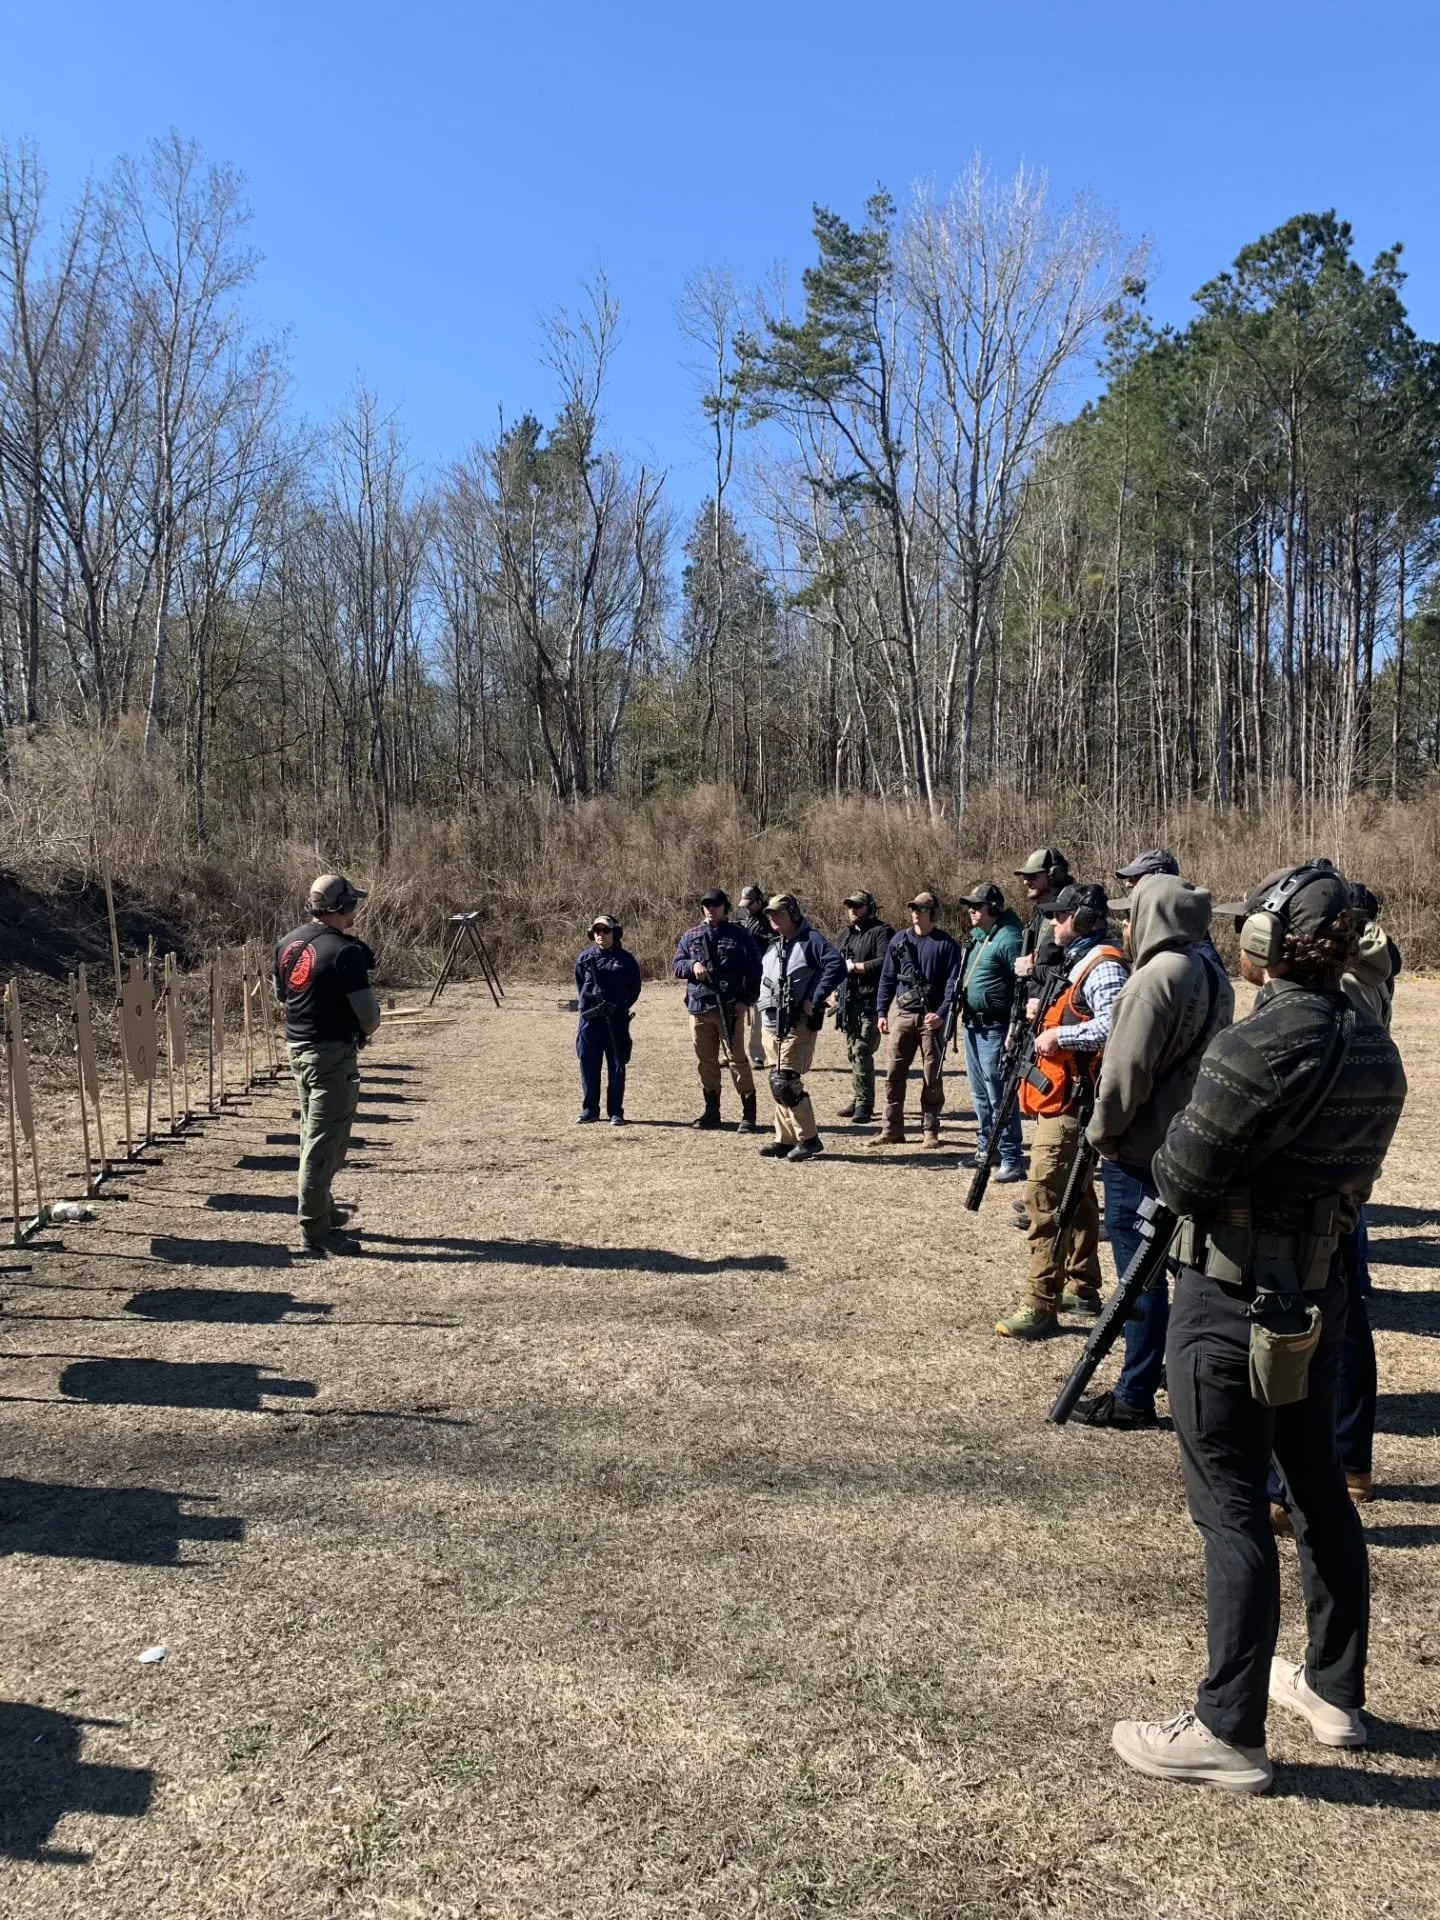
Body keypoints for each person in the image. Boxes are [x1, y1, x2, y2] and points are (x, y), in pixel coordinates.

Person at [1111, 864, 1406, 1795]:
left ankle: (1227, 1729)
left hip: (1228, 1299)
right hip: (1316, 1293)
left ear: (1271, 946)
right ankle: (1334, 1691)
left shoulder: (1256, 1043)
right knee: (1318, 1487)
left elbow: (1180, 1175)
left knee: (1232, 1506)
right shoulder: (1374, 1046)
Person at [1075, 875, 1233, 1427]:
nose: (1123, 923)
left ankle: (1134, 1392)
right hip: (1192, 1148)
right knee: (1187, 1274)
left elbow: (1123, 1076)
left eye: (1130, 912)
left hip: (1140, 1152)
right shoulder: (1215, 974)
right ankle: (1191, 1384)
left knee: (1137, 1280)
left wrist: (1101, 1136)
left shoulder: (1152, 980)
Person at [995, 883, 1129, 1337]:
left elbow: (1117, 1024)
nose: (1053, 922)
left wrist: (1061, 1037)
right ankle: (1082, 1284)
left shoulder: (1102, 964)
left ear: (1085, 919)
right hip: (1070, 1098)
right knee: (1079, 1194)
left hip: (1075, 1101)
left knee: (1044, 1196)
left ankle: (1039, 1302)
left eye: (1062, 915)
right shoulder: (1080, 962)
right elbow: (1083, 1012)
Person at [274, 874, 381, 1256]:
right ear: (342, 907)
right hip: (331, 1054)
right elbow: (368, 1014)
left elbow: (282, 995)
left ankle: (323, 1208)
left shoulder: (288, 942)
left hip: (298, 1048)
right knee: (325, 1140)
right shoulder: (344, 952)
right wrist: (363, 1030)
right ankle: (315, 1229)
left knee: (313, 1132)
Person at [755, 893, 845, 1163]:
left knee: (786, 1083)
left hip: (796, 1024)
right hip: (772, 1024)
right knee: (777, 1082)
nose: (772, 919)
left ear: (793, 914)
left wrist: (815, 998)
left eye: (778, 914)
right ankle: (785, 1139)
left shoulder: (811, 940)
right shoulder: (777, 944)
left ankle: (810, 1139)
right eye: (770, 915)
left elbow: (836, 965)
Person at [873, 892, 964, 1149]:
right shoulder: (898, 941)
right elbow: (887, 978)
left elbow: (952, 984)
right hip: (903, 1015)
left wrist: (943, 1013)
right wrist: (881, 1012)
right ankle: (891, 1129)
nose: (915, 912)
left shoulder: (946, 944)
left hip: (931, 1018)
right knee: (894, 1074)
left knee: (931, 1077)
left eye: (921, 909)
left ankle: (930, 1131)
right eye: (913, 908)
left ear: (932, 913)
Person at [673, 889, 762, 1133]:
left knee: (737, 1060)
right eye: (707, 904)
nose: (711, 908)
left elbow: (755, 971)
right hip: (699, 1009)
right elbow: (677, 965)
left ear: (726, 906)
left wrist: (746, 1000)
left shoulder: (739, 935)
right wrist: (694, 965)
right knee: (706, 1062)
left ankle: (749, 1114)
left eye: (716, 904)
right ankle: (712, 1111)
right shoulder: (691, 935)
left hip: (730, 1009)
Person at [957, 881, 1026, 1182]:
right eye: (970, 905)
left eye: (977, 905)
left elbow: (1023, 982)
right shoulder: (980, 938)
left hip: (996, 1028)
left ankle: (1011, 1157)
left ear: (993, 908)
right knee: (979, 1095)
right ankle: (988, 1149)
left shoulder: (1009, 938)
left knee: (1000, 1096)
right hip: (973, 1026)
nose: (972, 910)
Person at [575, 915, 642, 1126]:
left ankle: (616, 1111)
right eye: (597, 931)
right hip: (591, 1021)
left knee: (617, 1064)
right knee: (588, 1064)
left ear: (614, 933)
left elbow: (634, 989)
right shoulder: (585, 958)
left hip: (616, 1019)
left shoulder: (627, 960)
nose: (600, 935)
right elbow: (579, 985)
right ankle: (590, 1110)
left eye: (605, 931)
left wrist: (617, 1007)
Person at [834, 889, 894, 1124]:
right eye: (850, 906)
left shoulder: (882, 931)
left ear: (870, 907)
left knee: (862, 1050)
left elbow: (885, 961)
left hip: (871, 1001)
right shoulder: (846, 934)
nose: (853, 910)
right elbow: (835, 962)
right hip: (848, 1002)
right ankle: (859, 1095)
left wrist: (855, 967)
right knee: (852, 1052)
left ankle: (865, 1104)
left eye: (858, 906)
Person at [1117, 848, 1224, 971]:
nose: (1127, 884)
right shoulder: (1165, 930)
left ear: (1160, 879)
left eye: (1135, 877)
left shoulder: (1193, 944)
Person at [735, 884, 774, 1068]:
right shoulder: (742, 919)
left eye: (750, 904)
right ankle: (733, 1053)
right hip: (742, 974)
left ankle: (758, 1056)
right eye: (746, 905)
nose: (748, 908)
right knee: (735, 1016)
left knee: (759, 1017)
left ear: (759, 901)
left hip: (763, 975)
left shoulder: (769, 921)